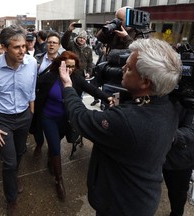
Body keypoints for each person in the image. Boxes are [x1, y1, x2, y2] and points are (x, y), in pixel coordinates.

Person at [59, 38, 182, 216]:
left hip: (120, 206)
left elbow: (81, 118)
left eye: (129, 68)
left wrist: (68, 86)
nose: (122, 68)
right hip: (143, 199)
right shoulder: (167, 105)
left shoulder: (126, 121)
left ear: (146, 82)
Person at [33, 50, 113, 200]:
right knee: (55, 145)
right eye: (67, 66)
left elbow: (92, 90)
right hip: (48, 117)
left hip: (66, 119)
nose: (69, 70)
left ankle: (52, 159)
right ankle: (59, 180)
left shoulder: (76, 78)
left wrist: (107, 97)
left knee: (56, 143)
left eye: (72, 66)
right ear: (59, 65)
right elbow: (33, 90)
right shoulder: (48, 77)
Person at [0, 26, 37, 216]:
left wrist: (31, 113)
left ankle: (14, 177)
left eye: (24, 46)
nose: (22, 51)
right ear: (4, 47)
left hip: (23, 116)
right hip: (2, 119)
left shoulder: (31, 63)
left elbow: (32, 90)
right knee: (9, 162)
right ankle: (11, 198)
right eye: (16, 47)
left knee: (20, 151)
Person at [93, 6, 147, 108]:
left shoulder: (140, 33)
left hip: (128, 76)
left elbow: (139, 52)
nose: (117, 21)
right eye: (116, 18)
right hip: (111, 74)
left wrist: (126, 37)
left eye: (120, 20)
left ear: (130, 20)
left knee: (122, 108)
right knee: (108, 105)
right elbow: (100, 38)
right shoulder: (115, 29)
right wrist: (110, 26)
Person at [31, 31, 61, 157]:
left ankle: (52, 151)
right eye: (49, 42)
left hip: (53, 101)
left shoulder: (63, 61)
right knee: (36, 125)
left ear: (59, 45)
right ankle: (39, 143)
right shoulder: (36, 58)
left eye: (54, 43)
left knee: (54, 129)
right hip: (38, 99)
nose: (51, 45)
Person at [163, 98, 194, 216]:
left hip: (180, 158)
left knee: (177, 194)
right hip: (156, 153)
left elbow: (191, 132)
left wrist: (166, 134)